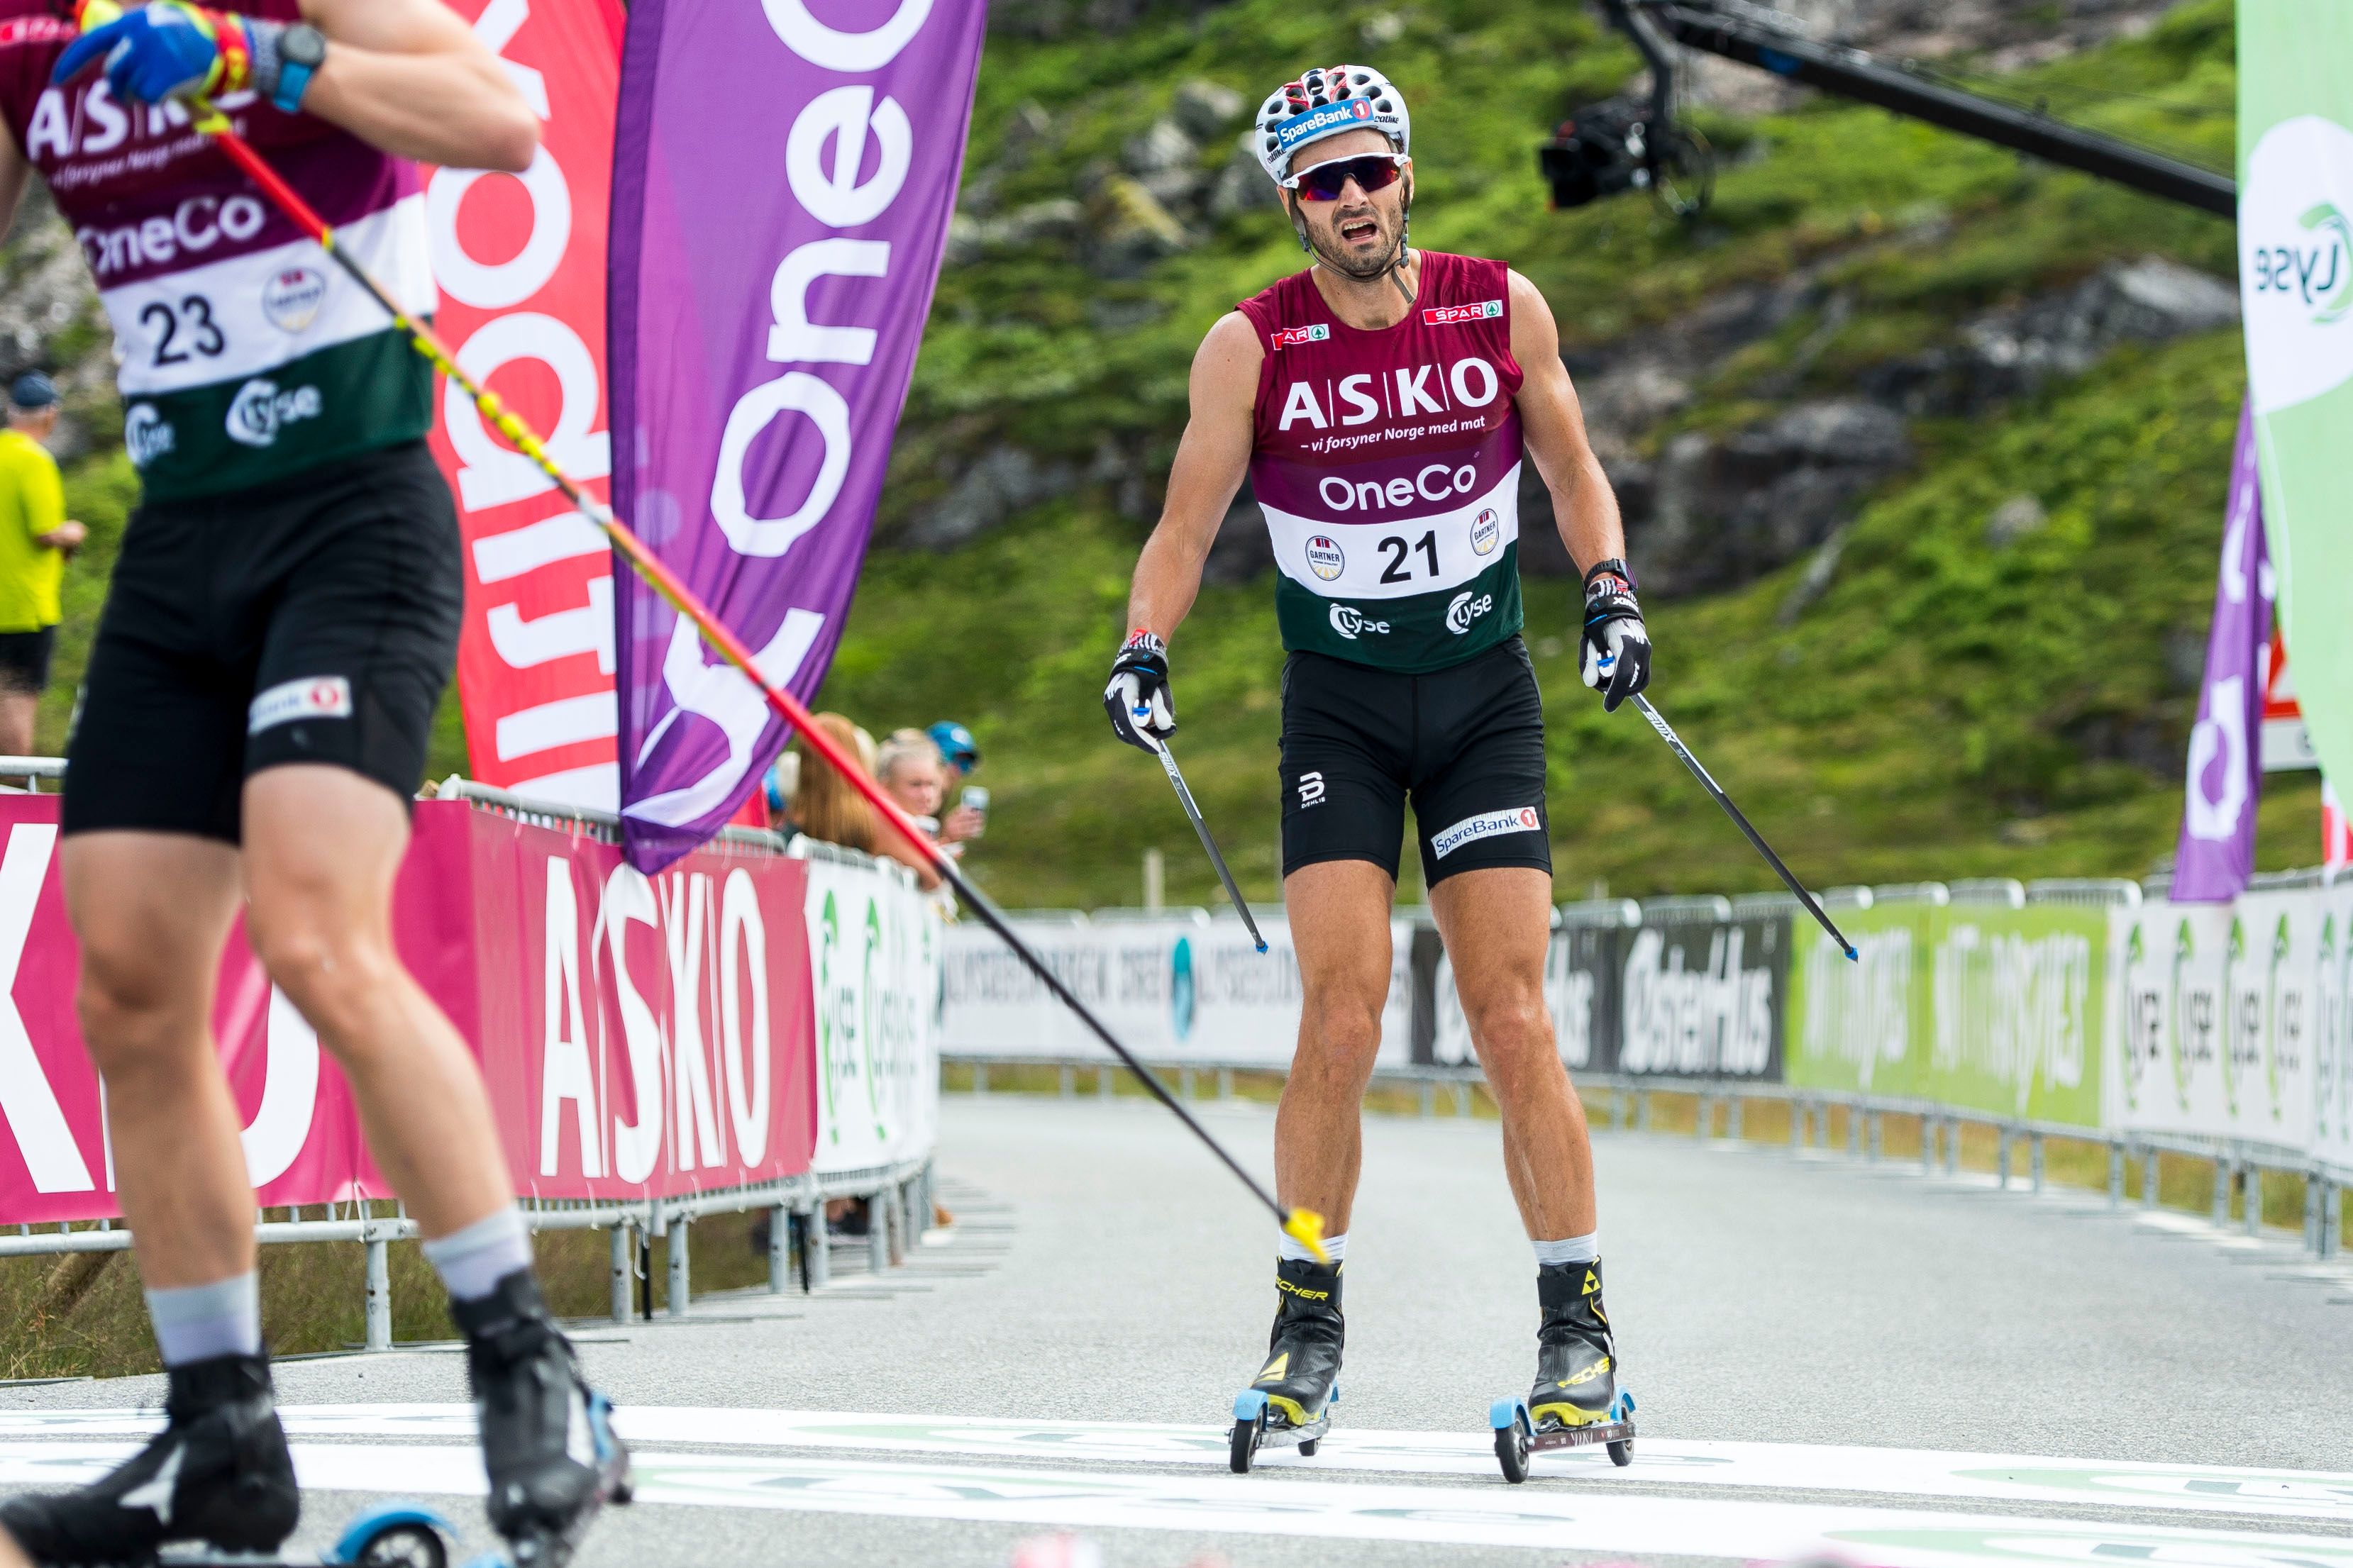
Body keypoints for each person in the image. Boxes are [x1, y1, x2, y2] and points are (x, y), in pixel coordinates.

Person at [0, 4, 627, 1564]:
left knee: (314, 935)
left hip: (350, 523)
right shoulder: (24, 35)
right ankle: (219, 1434)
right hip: (181, 544)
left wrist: (253, 62)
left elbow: (498, 119)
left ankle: (528, 1367)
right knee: (126, 987)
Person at [1101, 64, 1652, 1449]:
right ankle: (1305, 1319)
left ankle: (1577, 1332)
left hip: (1481, 702)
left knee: (1508, 1013)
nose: (1351, 199)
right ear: (1293, 205)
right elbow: (1183, 527)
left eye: (1369, 171)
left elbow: (1570, 468)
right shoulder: (1250, 346)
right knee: (1340, 1016)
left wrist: (1608, 590)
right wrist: (1141, 647)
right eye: (1321, 183)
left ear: (1404, 176)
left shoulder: (1494, 304)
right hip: (1340, 711)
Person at [0, 372, 84, 756]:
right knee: (17, 704)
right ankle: (16, 789)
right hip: (24, 609)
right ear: (51, 414)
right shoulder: (34, 460)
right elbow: (46, 532)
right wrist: (74, 533)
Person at [792, 713, 939, 890]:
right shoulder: (873, 820)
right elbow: (933, 875)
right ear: (853, 754)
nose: (926, 793)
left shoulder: (794, 818)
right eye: (916, 784)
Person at [928, 718, 986, 845]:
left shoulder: (937, 803)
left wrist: (946, 836)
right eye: (948, 756)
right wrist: (945, 835)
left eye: (965, 763)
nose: (956, 769)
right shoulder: (914, 799)